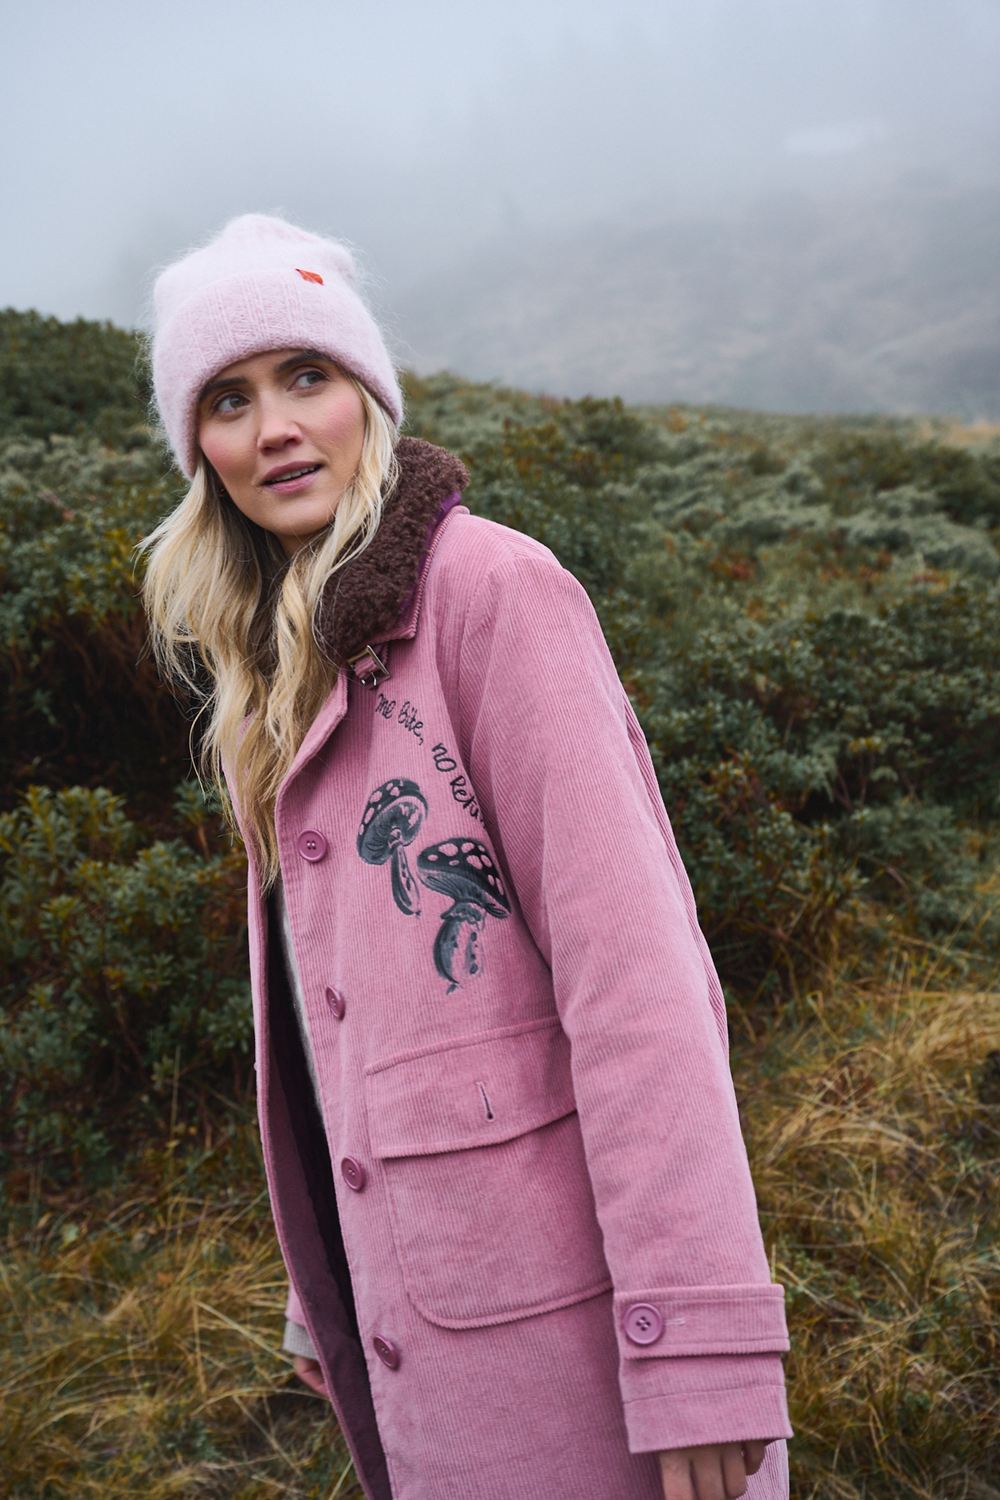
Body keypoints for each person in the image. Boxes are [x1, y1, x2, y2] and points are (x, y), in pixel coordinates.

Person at [138, 211, 794, 1500]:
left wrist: (698, 1343)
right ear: (198, 447)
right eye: (228, 398)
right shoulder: (272, 669)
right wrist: (331, 1278)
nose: (274, 428)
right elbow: (350, 1023)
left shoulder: (492, 594)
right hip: (433, 1316)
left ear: (368, 395)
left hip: (579, 1333)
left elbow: (640, 989)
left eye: (306, 375)